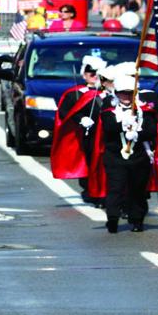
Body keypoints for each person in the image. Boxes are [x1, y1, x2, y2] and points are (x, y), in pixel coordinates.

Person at [93, 74, 158, 234]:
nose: (126, 96)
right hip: (115, 156)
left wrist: (138, 133)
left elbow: (151, 130)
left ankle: (137, 219)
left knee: (138, 189)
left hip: (139, 157)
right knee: (115, 188)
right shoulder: (109, 108)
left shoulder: (145, 110)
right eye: (123, 93)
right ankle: (113, 219)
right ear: (116, 93)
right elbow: (107, 127)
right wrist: (122, 125)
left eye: (130, 92)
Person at [51, 54, 108, 205]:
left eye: (98, 74)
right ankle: (92, 191)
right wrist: (80, 119)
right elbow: (64, 112)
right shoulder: (75, 93)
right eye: (91, 73)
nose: (95, 76)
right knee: (91, 163)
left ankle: (106, 192)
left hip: (107, 136)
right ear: (84, 75)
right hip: (87, 136)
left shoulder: (109, 93)